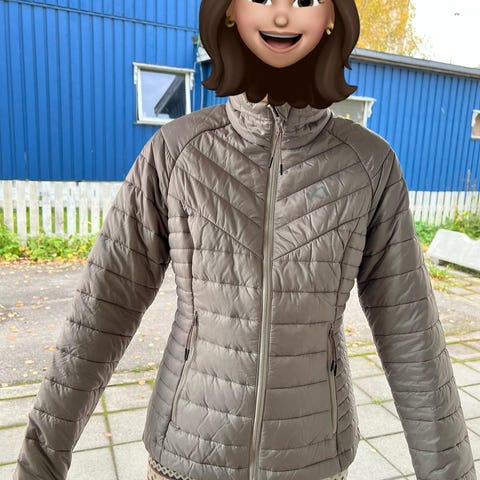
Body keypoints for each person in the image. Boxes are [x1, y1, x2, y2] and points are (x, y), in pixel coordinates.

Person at [14, 0, 477, 479]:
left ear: (332, 17)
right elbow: (100, 311)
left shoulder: (369, 165)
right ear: (231, 11)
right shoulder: (177, 152)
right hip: (185, 454)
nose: (281, 15)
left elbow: (411, 333)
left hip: (312, 459)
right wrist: (39, 464)